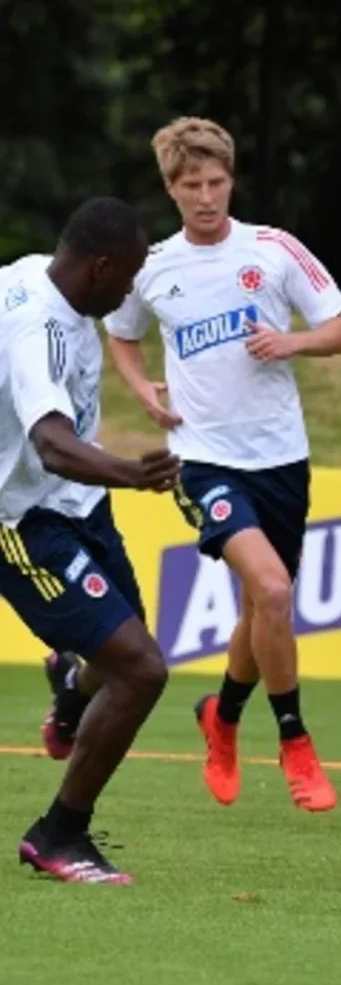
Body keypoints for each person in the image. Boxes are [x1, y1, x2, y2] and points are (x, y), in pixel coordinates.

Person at [83, 117, 341, 813]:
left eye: (216, 182)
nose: (206, 197)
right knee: (272, 589)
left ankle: (223, 716)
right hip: (202, 461)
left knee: (258, 611)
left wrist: (291, 343)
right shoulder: (153, 267)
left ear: (230, 180)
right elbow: (121, 335)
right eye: (191, 185)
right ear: (170, 189)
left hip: (282, 459)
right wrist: (143, 389)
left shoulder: (274, 249)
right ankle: (295, 741)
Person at [5, 198, 180, 883]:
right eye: (129, 275)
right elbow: (50, 446)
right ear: (101, 266)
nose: (131, 288)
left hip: (79, 504)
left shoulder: (35, 276)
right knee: (143, 669)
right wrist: (134, 474)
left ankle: (71, 685)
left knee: (123, 654)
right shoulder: (36, 326)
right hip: (19, 521)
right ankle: (58, 835)